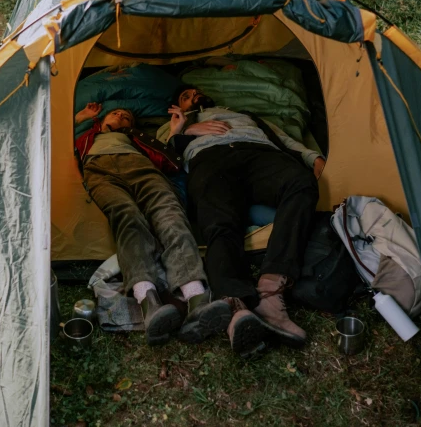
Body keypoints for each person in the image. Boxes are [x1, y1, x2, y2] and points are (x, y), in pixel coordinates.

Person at [157, 86, 325, 355]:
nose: (193, 97)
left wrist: (312, 156)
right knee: (219, 223)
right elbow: (165, 160)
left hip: (259, 154)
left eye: (195, 92)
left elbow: (281, 138)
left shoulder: (246, 115)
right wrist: (182, 132)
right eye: (185, 97)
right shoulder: (175, 124)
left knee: (301, 183)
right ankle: (235, 309)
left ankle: (271, 293)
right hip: (210, 159)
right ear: (179, 106)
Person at [74, 102, 231, 345]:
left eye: (126, 116)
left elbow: (170, 160)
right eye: (116, 113)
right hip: (99, 169)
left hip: (141, 166)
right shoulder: (86, 135)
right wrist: (81, 117)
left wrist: (175, 131)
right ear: (102, 120)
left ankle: (197, 298)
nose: (121, 114)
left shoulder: (139, 139)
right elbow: (51, 135)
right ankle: (148, 302)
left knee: (169, 213)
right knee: (126, 216)